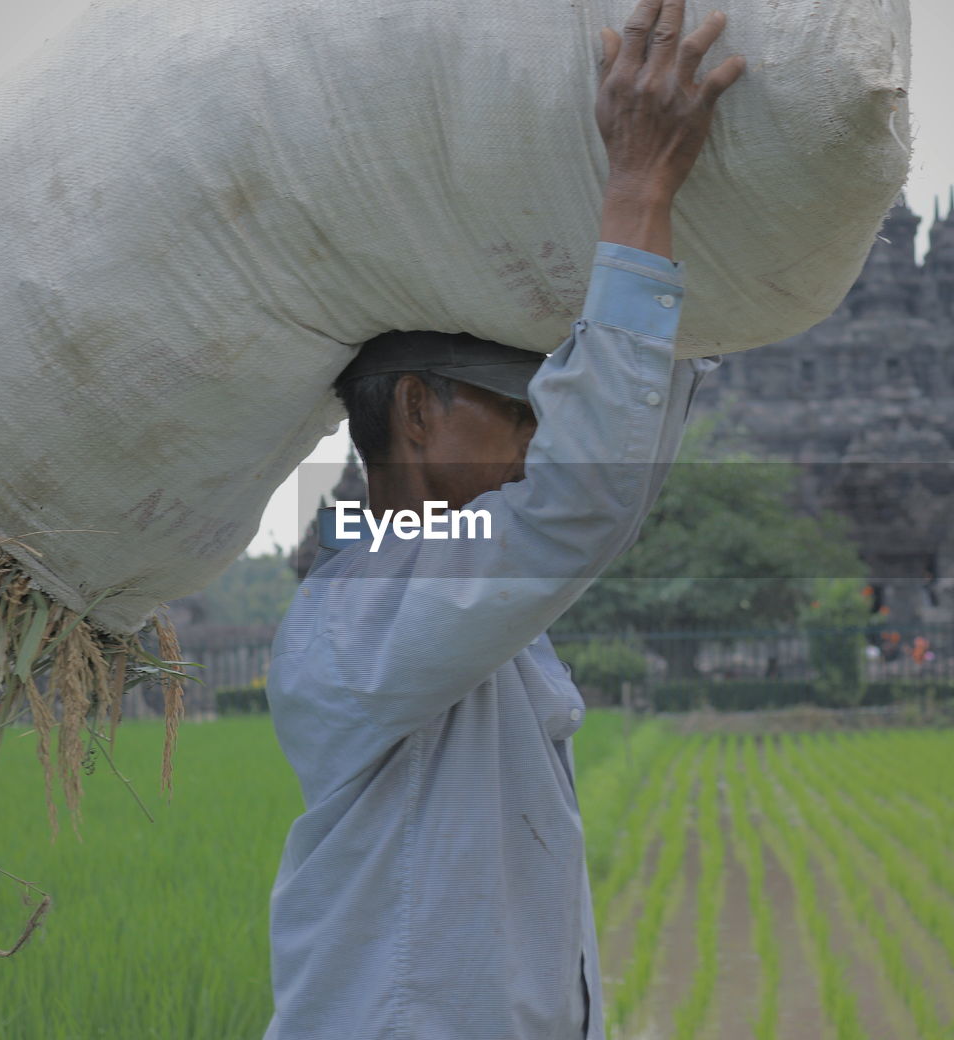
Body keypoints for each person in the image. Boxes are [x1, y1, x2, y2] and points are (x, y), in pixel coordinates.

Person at [263, 3, 745, 1038]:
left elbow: (589, 498)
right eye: (519, 412)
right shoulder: (364, 604)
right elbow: (581, 501)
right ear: (416, 409)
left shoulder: (437, 588)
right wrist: (637, 191)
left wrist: (679, 303)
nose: (536, 443)